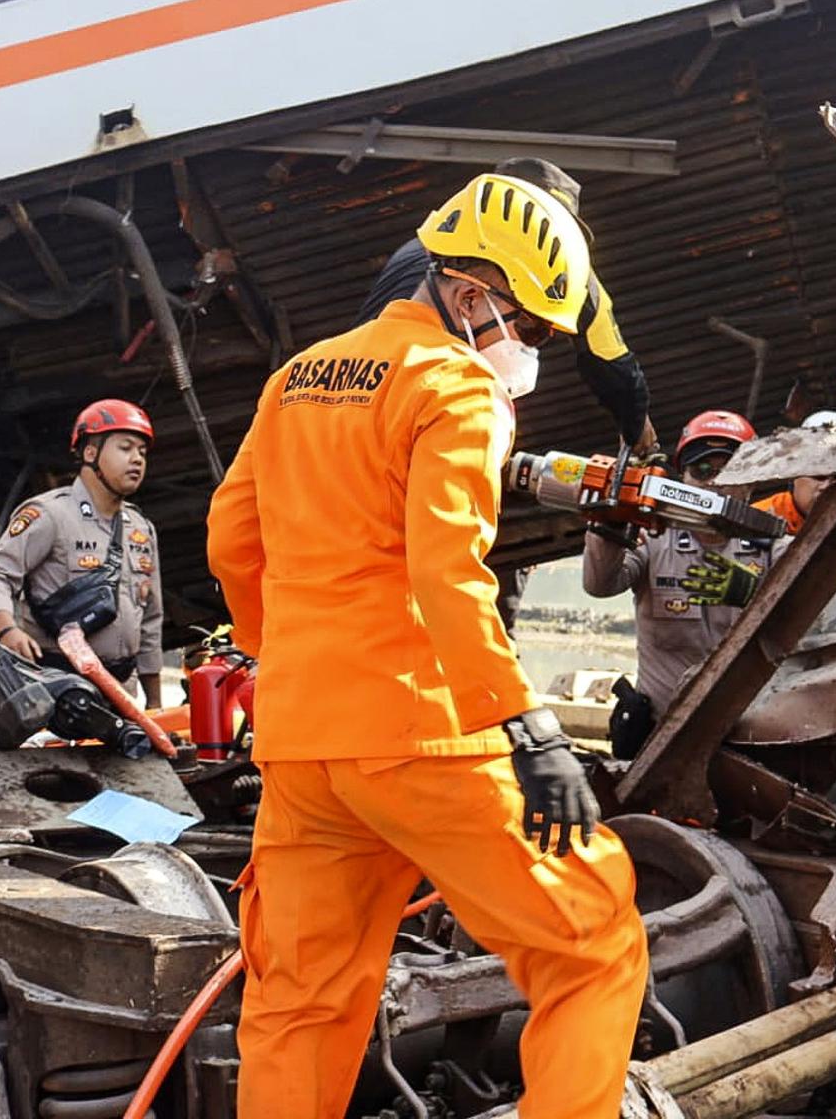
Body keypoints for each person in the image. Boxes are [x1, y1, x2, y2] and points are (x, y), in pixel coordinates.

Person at [208, 172, 648, 1119]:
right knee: (593, 941)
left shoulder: (297, 379)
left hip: (301, 748)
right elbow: (447, 572)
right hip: (421, 734)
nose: (531, 351)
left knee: (297, 1004)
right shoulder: (457, 391)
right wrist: (530, 730)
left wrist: (282, 662)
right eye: (530, 329)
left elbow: (229, 538)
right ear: (470, 292)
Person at [356, 156, 656, 452]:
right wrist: (635, 426)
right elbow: (609, 359)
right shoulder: (564, 272)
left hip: (357, 399)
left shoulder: (431, 238)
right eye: (532, 327)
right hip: (432, 408)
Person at [582, 409, 774, 758]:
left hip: (746, 734)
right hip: (659, 735)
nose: (714, 481)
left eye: (729, 470)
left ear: (753, 480)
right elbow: (600, 585)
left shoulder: (776, 547)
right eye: (702, 470)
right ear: (682, 477)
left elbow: (816, 622)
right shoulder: (653, 538)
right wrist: (607, 527)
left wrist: (757, 595)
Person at [0, 400, 166, 710]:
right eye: (125, 448)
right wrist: (7, 631)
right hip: (50, 691)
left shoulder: (141, 528)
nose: (137, 459)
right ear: (91, 453)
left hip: (117, 697)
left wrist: (154, 705)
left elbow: (151, 620)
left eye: (142, 452)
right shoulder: (50, 514)